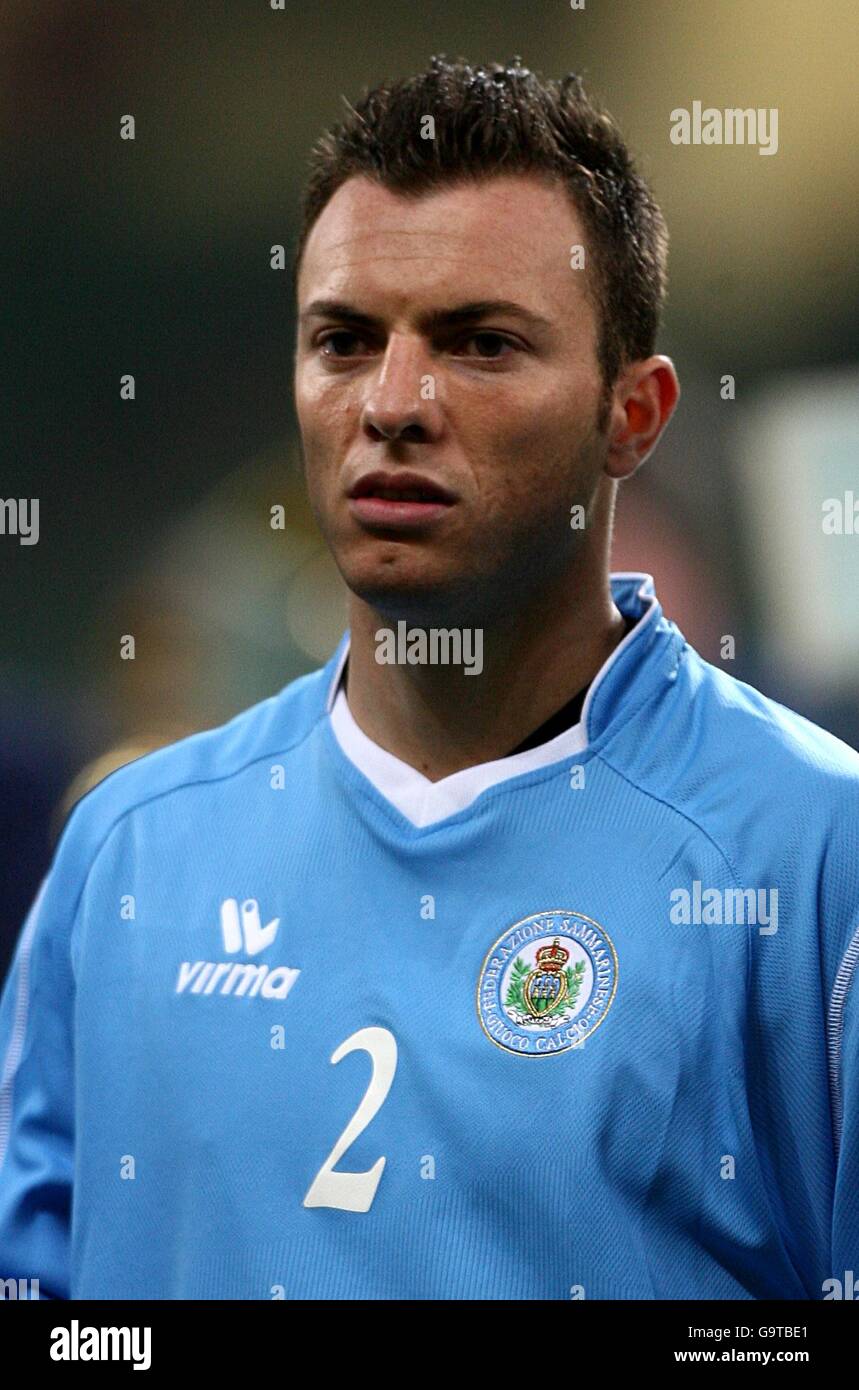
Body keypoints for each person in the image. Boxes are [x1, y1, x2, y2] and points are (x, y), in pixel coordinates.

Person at [1, 56, 856, 1301]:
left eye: (481, 343)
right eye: (344, 341)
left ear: (634, 416)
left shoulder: (812, 854)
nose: (393, 403)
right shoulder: (127, 854)